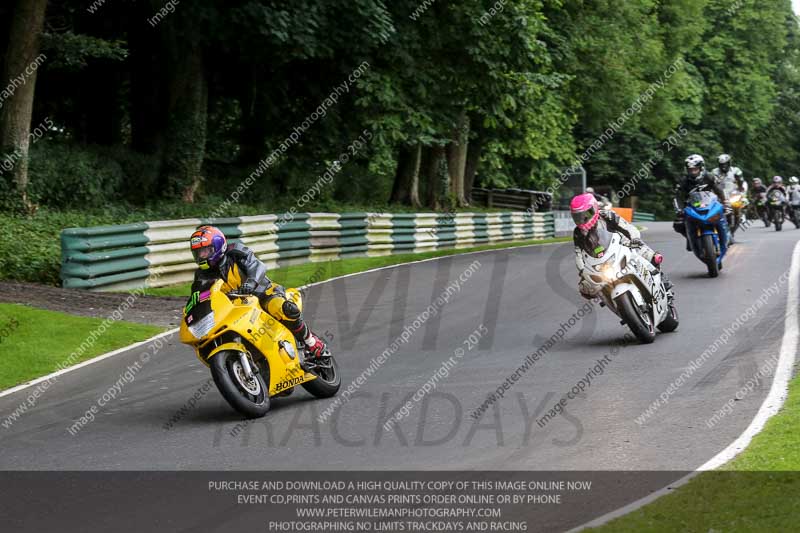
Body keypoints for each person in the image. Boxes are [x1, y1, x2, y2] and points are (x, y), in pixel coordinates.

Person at [189, 225, 329, 358]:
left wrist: (251, 282)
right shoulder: (201, 276)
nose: (201, 256)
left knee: (284, 308)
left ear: (218, 246)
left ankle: (312, 342)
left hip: (262, 293)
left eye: (205, 251)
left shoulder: (235, 252)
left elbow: (257, 265)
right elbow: (198, 298)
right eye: (198, 253)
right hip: (236, 309)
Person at [570, 193, 669, 299]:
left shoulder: (607, 216)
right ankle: (609, 300)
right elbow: (579, 254)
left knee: (651, 257)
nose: (582, 220)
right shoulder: (578, 233)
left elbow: (628, 227)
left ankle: (663, 282)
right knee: (585, 289)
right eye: (577, 217)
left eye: (585, 215)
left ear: (594, 209)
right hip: (600, 261)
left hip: (623, 246)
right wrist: (582, 271)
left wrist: (634, 239)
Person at [674, 154, 730, 252]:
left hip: (711, 204)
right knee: (678, 224)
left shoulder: (710, 176)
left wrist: (725, 202)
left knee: (724, 215)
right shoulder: (683, 181)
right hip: (692, 207)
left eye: (695, 169)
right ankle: (689, 238)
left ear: (701, 168)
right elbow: (677, 196)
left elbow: (719, 190)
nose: (693, 172)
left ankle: (726, 237)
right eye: (690, 170)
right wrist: (679, 210)